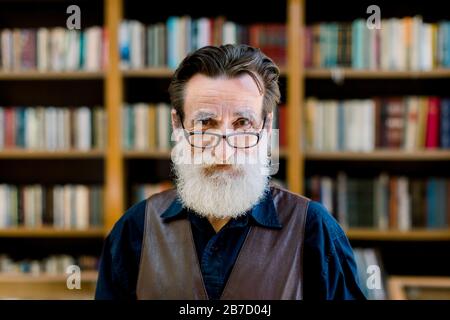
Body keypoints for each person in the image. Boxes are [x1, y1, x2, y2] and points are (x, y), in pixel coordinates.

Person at [95, 44, 366, 300]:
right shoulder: (134, 230)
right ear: (177, 125)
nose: (224, 154)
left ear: (266, 126)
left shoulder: (314, 230)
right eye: (205, 123)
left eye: (242, 123)